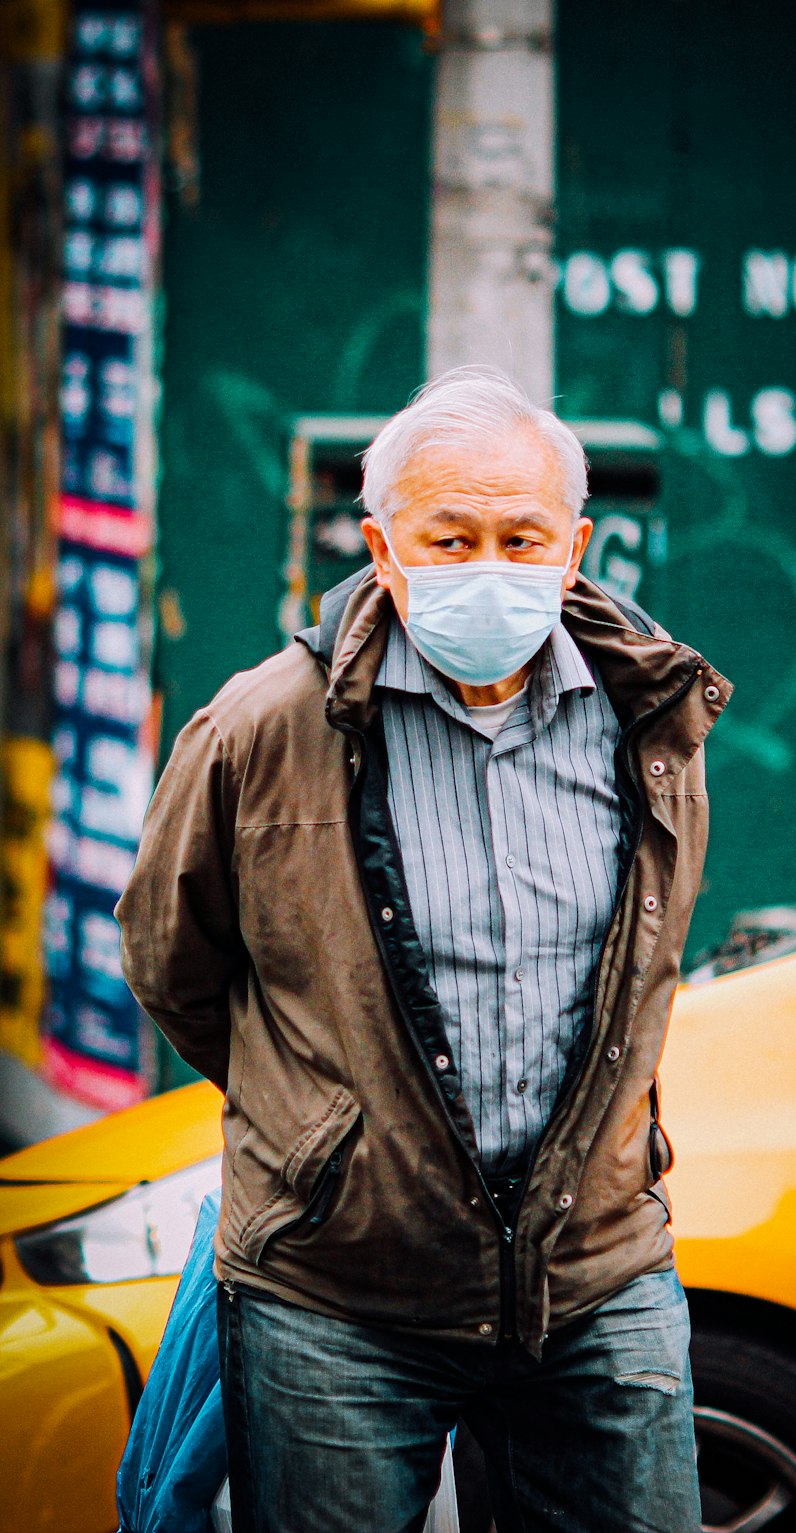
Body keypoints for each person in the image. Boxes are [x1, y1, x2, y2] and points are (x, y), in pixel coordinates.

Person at [115, 365, 732, 1533]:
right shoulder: (262, 726)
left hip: (595, 1274)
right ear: (383, 551)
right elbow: (171, 962)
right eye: (449, 540)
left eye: (521, 537)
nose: (489, 567)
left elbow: (642, 962)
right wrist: (323, 1135)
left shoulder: (650, 715)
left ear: (577, 545)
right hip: (338, 1294)